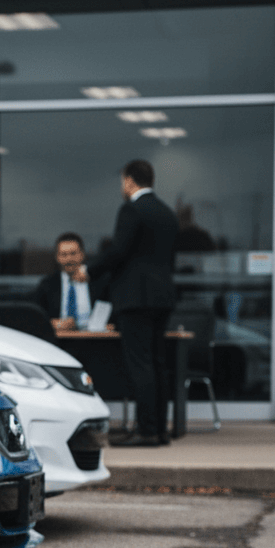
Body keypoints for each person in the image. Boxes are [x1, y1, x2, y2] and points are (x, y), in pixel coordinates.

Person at [85, 159, 178, 447]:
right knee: (158, 363)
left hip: (136, 298)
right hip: (162, 297)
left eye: (122, 181)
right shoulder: (167, 213)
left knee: (140, 365)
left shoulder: (131, 209)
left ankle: (146, 431)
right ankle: (160, 429)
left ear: (129, 180)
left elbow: (118, 252)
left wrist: (89, 271)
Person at [31, 232, 110, 332]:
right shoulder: (48, 284)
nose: (69, 259)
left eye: (73, 253)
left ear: (82, 254)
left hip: (94, 340)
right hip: (59, 340)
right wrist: (53, 324)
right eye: (64, 255)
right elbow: (36, 316)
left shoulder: (99, 281)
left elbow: (112, 314)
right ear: (57, 257)